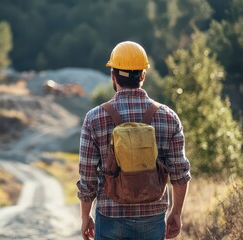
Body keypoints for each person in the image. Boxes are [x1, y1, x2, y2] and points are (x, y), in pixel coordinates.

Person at [77, 41, 191, 240]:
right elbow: (180, 173)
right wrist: (176, 212)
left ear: (113, 76)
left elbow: (87, 177)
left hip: (110, 215)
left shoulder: (94, 118)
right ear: (143, 76)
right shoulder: (168, 117)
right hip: (153, 216)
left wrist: (85, 216)